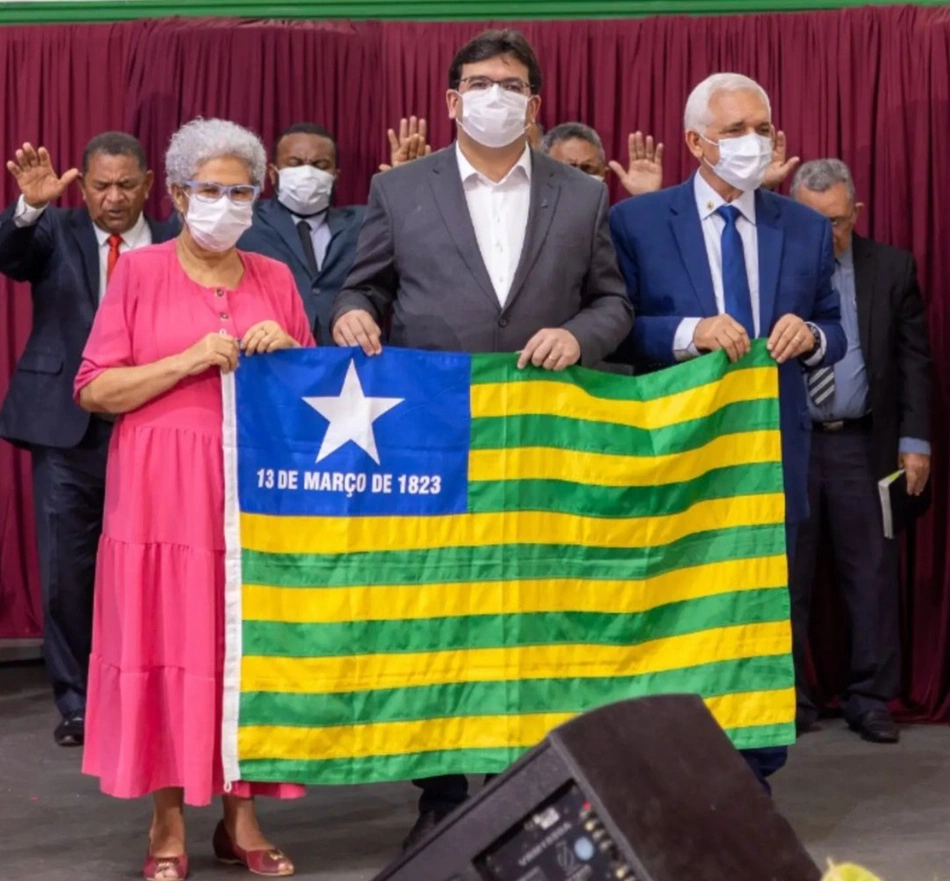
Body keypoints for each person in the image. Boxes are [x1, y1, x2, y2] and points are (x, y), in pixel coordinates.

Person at [332, 27, 632, 847]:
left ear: (535, 103)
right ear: (452, 99)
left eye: (511, 84)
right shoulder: (400, 189)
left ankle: (531, 779)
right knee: (442, 609)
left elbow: (614, 301)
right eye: (478, 82)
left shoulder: (581, 193)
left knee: (536, 606)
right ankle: (440, 791)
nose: (494, 96)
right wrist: (351, 312)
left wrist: (582, 335)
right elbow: (362, 289)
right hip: (433, 437)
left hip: (542, 441)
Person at [75, 118, 314, 881]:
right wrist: (184, 362)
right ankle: (168, 820)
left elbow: (317, 398)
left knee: (243, 653)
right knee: (166, 649)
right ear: (177, 194)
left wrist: (291, 355)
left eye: (240, 191)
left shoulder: (275, 276)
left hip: (251, 500)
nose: (226, 202)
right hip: (157, 501)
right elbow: (95, 388)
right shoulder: (139, 273)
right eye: (209, 189)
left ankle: (241, 817)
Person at [608, 72, 847, 786]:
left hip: (772, 458)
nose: (754, 143)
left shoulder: (801, 225)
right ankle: (663, 772)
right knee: (673, 618)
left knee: (761, 621)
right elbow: (617, 330)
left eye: (762, 127)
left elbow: (834, 327)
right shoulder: (639, 222)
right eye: (736, 129)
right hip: (674, 461)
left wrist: (813, 334)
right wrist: (689, 332)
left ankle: (754, 779)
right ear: (696, 143)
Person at [0, 133, 176, 747]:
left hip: (157, 426)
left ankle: (154, 692)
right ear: (85, 184)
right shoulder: (57, 231)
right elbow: (10, 255)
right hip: (66, 427)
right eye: (101, 185)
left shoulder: (180, 240)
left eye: (127, 185)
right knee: (65, 572)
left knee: (159, 566)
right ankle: (77, 702)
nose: (113, 197)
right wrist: (28, 210)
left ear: (149, 184)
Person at [789, 159, 931, 743]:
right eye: (814, 222)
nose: (829, 235)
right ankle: (789, 699)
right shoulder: (776, 268)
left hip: (860, 444)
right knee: (786, 578)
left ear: (857, 212)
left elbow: (913, 362)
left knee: (871, 578)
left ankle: (870, 698)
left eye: (840, 222)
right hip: (787, 444)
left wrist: (914, 441)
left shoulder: (891, 268)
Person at [237, 122, 364, 344]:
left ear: (336, 175)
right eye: (294, 164)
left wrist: (405, 182)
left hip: (346, 362)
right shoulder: (244, 219)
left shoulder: (364, 222)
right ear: (272, 173)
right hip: (271, 356)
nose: (307, 173)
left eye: (320, 165)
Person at [541, 123, 665, 196]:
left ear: (604, 175)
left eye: (587, 169)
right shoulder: (529, 222)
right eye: (569, 168)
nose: (579, 177)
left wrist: (646, 199)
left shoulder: (617, 227)